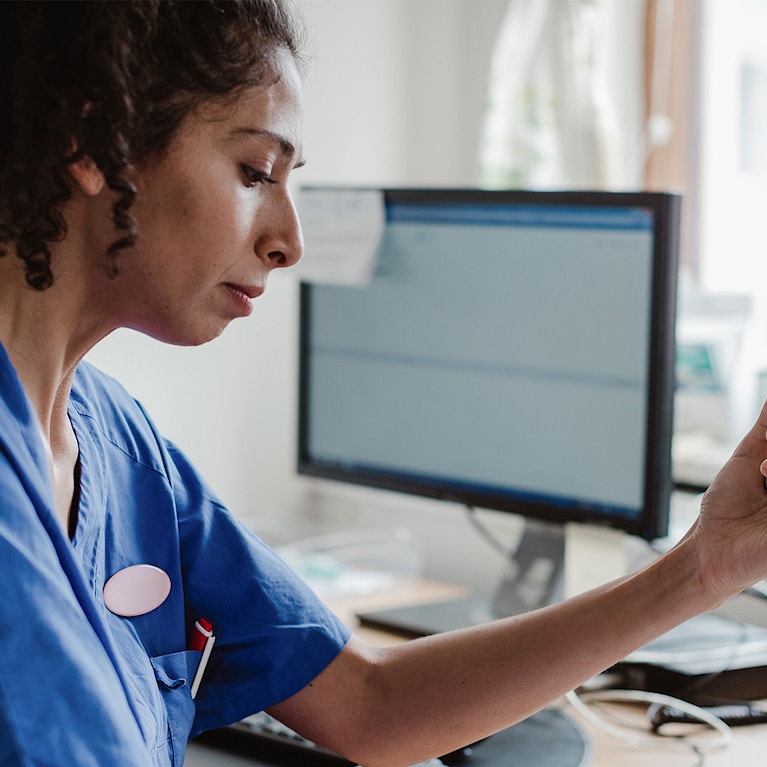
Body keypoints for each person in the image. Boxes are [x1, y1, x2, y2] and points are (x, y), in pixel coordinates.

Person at [2, 2, 767, 766]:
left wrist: (701, 566)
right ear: (94, 141)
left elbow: (367, 704)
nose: (289, 242)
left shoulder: (119, 443)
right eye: (254, 172)